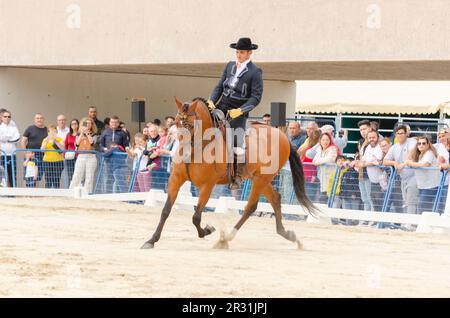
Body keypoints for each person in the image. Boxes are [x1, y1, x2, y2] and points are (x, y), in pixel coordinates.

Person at [208, 37, 263, 189]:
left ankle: (237, 175)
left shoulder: (255, 72)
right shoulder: (230, 65)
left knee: (237, 140)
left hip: (238, 111)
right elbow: (219, 86)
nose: (239, 55)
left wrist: (240, 111)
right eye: (237, 52)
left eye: (242, 52)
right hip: (222, 105)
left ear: (249, 53)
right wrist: (212, 100)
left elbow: (256, 98)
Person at [383, 125, 419, 214]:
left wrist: (403, 164)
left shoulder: (412, 141)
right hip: (403, 177)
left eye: (402, 133)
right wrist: (394, 163)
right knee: (406, 201)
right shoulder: (394, 147)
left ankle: (409, 224)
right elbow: (385, 161)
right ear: (395, 135)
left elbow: (411, 153)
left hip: (415, 175)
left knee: (411, 201)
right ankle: (409, 222)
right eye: (398, 133)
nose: (400, 135)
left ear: (406, 134)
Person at [405, 136, 441, 213]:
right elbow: (406, 159)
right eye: (419, 143)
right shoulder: (419, 154)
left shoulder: (429, 153)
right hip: (422, 186)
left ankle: (422, 225)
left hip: (430, 187)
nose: (421, 145)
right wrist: (414, 150)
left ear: (428, 145)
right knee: (424, 208)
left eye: (424, 143)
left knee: (422, 208)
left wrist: (410, 163)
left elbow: (425, 164)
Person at [69, 117, 98, 194]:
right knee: (77, 175)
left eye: (89, 123)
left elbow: (92, 143)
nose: (88, 125)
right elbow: (76, 144)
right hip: (81, 155)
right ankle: (71, 192)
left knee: (89, 176)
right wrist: (82, 133)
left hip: (91, 156)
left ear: (92, 125)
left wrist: (88, 134)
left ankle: (87, 193)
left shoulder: (94, 134)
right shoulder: (79, 134)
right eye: (86, 123)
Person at [360, 130, 384, 211]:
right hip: (373, 181)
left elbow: (376, 161)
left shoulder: (380, 147)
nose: (371, 139)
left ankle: (382, 223)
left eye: (373, 137)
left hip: (382, 182)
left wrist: (364, 164)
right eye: (369, 138)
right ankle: (377, 222)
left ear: (378, 137)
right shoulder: (368, 148)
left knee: (382, 204)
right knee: (374, 203)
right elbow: (363, 160)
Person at [312, 132, 339, 203]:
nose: (325, 142)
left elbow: (330, 159)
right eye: (323, 140)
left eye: (327, 140)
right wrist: (322, 161)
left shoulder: (333, 149)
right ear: (320, 141)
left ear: (330, 140)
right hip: (321, 178)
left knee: (331, 200)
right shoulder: (319, 149)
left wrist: (319, 161)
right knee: (322, 199)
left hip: (331, 178)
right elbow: (314, 161)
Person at [21, 113, 48, 182]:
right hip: (31, 156)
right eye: (37, 118)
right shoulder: (30, 128)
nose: (39, 120)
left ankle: (36, 192)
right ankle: (29, 192)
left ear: (43, 120)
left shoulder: (47, 130)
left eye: (41, 118)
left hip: (42, 156)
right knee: (29, 176)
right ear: (34, 119)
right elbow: (23, 141)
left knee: (38, 176)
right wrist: (26, 153)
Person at [41, 124, 65, 188]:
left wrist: (55, 141)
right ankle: (47, 195)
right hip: (47, 162)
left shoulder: (59, 139)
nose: (52, 133)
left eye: (53, 131)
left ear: (56, 132)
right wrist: (47, 141)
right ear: (48, 132)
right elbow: (42, 150)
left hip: (58, 162)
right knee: (48, 180)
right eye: (50, 131)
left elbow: (63, 149)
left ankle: (56, 195)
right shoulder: (45, 140)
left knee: (56, 180)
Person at [0, 110, 20, 187]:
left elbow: (17, 138)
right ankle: (4, 192)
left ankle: (13, 193)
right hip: (2, 155)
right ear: (1, 118)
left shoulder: (14, 128)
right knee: (3, 175)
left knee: (12, 174)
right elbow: (1, 137)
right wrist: (10, 137)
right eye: (5, 116)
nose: (7, 118)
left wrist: (7, 139)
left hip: (12, 155)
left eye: (9, 116)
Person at [64, 119, 79, 185]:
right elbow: (65, 145)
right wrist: (65, 154)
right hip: (69, 157)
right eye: (72, 124)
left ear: (78, 125)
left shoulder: (80, 134)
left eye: (75, 123)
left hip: (78, 156)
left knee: (78, 174)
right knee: (70, 174)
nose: (74, 125)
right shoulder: (68, 134)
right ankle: (71, 189)